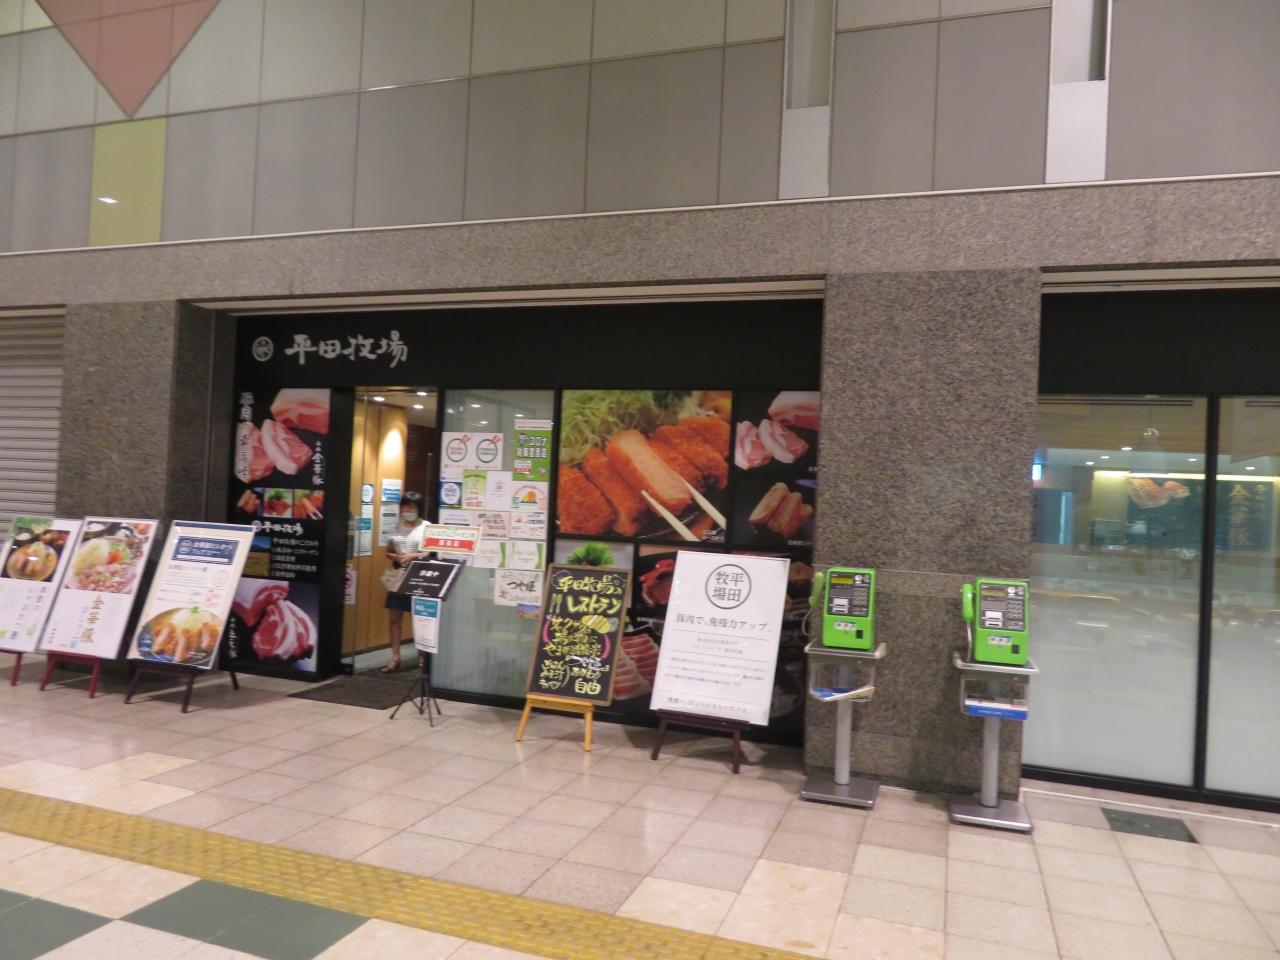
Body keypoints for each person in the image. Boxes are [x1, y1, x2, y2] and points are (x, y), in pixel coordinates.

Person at [381, 492, 427, 672]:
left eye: (412, 507)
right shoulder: (395, 526)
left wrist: (413, 555)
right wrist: (395, 556)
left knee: (419, 619)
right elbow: (388, 551)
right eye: (405, 506)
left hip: (418, 577)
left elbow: (431, 551)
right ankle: (395, 657)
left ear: (418, 509)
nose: (408, 510)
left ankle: (421, 656)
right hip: (397, 577)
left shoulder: (426, 526)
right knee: (394, 618)